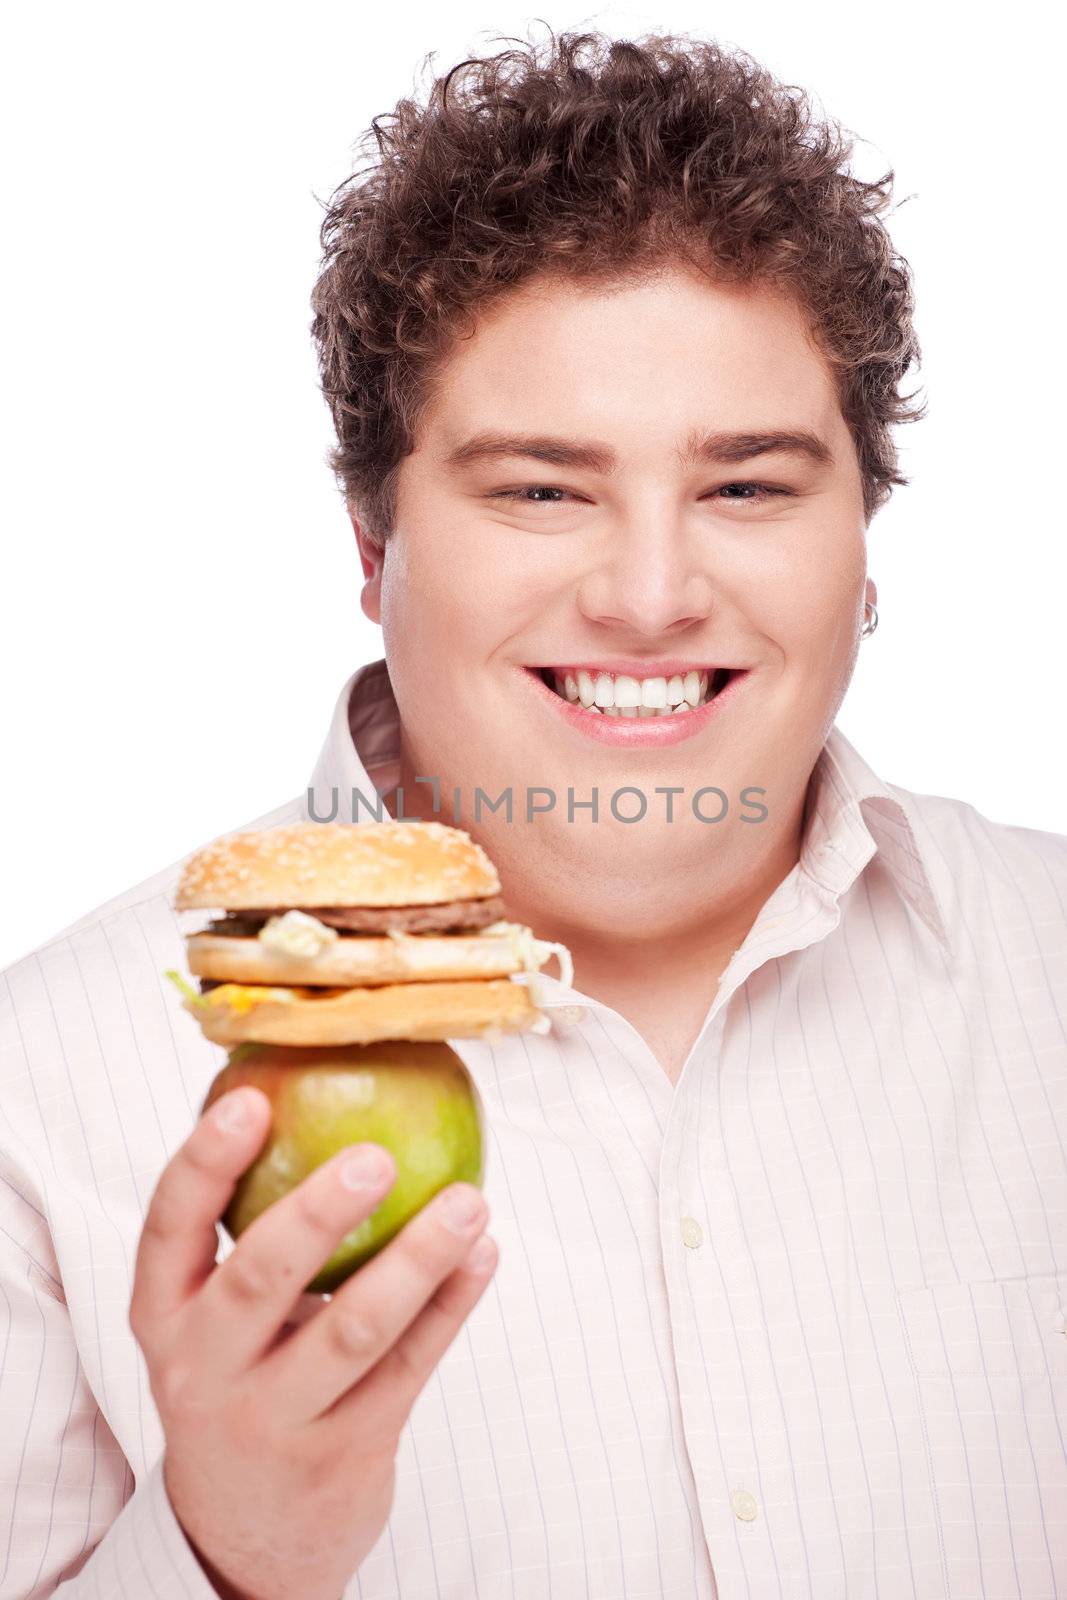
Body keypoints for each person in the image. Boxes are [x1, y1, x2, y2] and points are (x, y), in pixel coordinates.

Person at [2, 25, 1064, 1600]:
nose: (650, 595)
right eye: (542, 490)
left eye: (750, 487)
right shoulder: (43, 1094)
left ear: (867, 537)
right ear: (372, 549)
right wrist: (227, 1554)